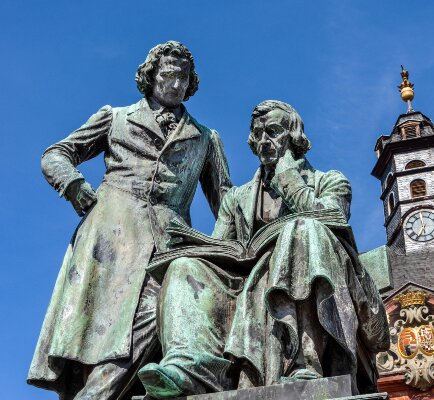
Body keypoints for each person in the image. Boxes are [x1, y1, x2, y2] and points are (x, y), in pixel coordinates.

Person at [138, 100, 389, 398]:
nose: (263, 142)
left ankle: (304, 361)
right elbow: (223, 248)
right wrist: (197, 245)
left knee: (302, 229)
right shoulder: (237, 198)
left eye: (272, 132)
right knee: (185, 266)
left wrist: (289, 179)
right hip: (247, 280)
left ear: (293, 137)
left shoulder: (330, 181)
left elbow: (333, 218)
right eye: (257, 134)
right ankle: (191, 368)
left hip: (312, 269)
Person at [28, 41, 231, 400]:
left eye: (184, 76)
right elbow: (56, 154)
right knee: (96, 333)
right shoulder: (115, 117)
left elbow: (227, 203)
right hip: (109, 237)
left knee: (158, 311)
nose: (177, 83)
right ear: (152, 75)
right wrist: (73, 184)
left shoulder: (205, 138)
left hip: (168, 242)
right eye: (169, 73)